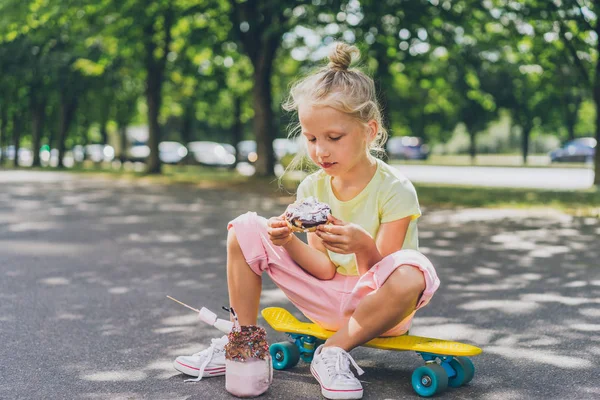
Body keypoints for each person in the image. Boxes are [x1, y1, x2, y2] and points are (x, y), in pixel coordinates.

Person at [173, 42, 440, 400]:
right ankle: (243, 343)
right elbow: (324, 270)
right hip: (326, 300)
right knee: (246, 227)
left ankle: (332, 352)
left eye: (333, 138)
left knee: (413, 270)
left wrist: (362, 245)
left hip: (378, 313)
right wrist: (288, 244)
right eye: (311, 138)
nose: (320, 150)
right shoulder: (313, 186)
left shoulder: (395, 190)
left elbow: (381, 279)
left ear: (369, 131)